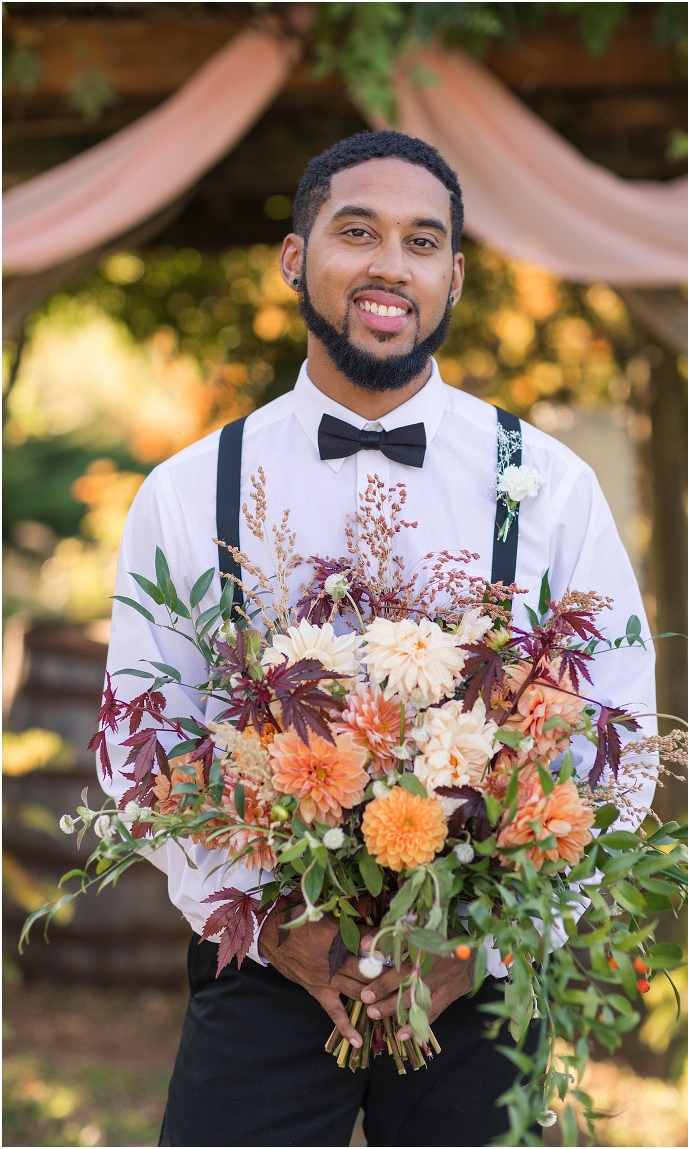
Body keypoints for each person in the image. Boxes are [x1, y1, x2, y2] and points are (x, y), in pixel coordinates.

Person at [102, 131, 656, 1147]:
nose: (389, 265)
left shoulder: (552, 485)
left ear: (454, 276)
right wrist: (273, 926)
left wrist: (485, 945)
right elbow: (139, 743)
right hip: (265, 964)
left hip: (482, 975)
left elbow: (617, 735)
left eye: (421, 240)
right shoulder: (189, 491)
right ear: (296, 258)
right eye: (357, 232)